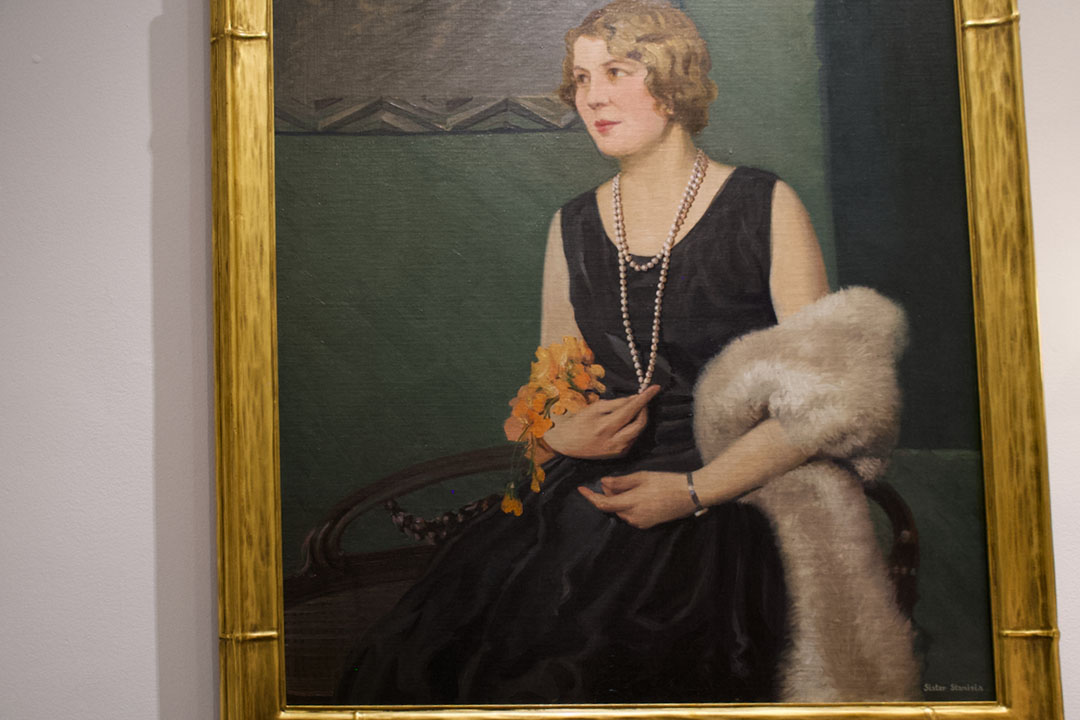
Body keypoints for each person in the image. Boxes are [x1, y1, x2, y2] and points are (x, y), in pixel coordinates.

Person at [337, 0, 917, 704]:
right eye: (582, 79)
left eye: (615, 72)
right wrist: (559, 434)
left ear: (673, 83)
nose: (592, 97)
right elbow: (551, 390)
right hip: (590, 492)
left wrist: (694, 492)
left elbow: (824, 405)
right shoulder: (573, 224)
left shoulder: (764, 204)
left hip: (732, 494)